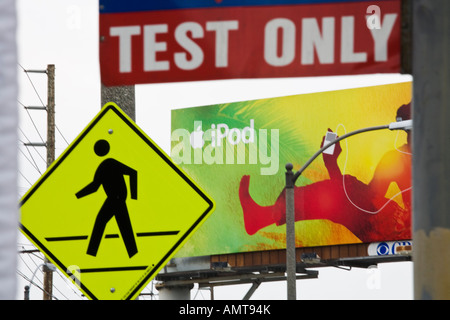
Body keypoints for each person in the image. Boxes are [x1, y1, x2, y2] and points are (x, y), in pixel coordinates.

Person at [239, 104, 412, 243]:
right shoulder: (399, 157)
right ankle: (265, 216)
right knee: (347, 191)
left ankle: (265, 216)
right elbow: (363, 200)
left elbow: (360, 202)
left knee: (345, 193)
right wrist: (332, 166)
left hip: (404, 233)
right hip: (394, 225)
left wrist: (332, 166)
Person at [76, 139, 138, 258]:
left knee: (103, 222)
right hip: (115, 199)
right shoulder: (104, 165)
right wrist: (78, 195)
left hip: (116, 199)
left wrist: (134, 197)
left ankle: (91, 253)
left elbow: (133, 173)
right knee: (123, 226)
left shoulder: (109, 163)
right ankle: (133, 254)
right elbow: (95, 186)